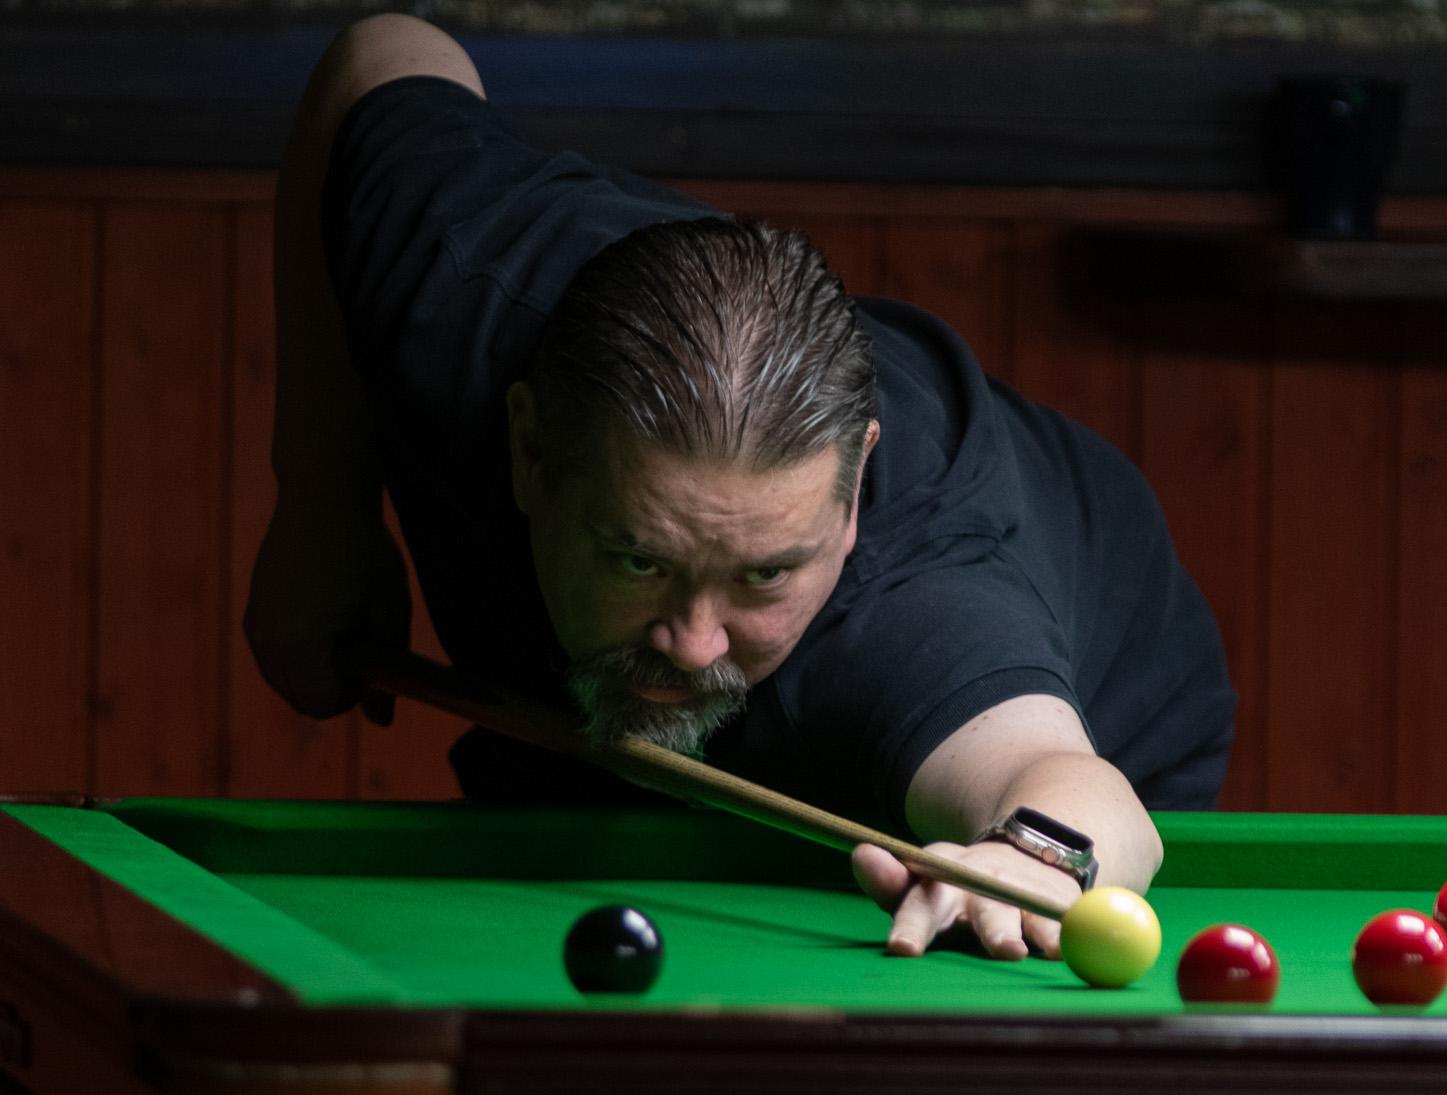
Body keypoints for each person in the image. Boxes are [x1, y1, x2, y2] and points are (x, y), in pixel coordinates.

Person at [245, 14, 1235, 963]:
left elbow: (1065, 785)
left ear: (848, 498)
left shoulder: (915, 613)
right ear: (529, 450)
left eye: (762, 575)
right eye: (638, 559)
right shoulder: (459, 283)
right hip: (598, 711)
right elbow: (381, 54)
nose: (693, 641)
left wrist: (1030, 862)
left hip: (1100, 690)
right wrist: (321, 506)